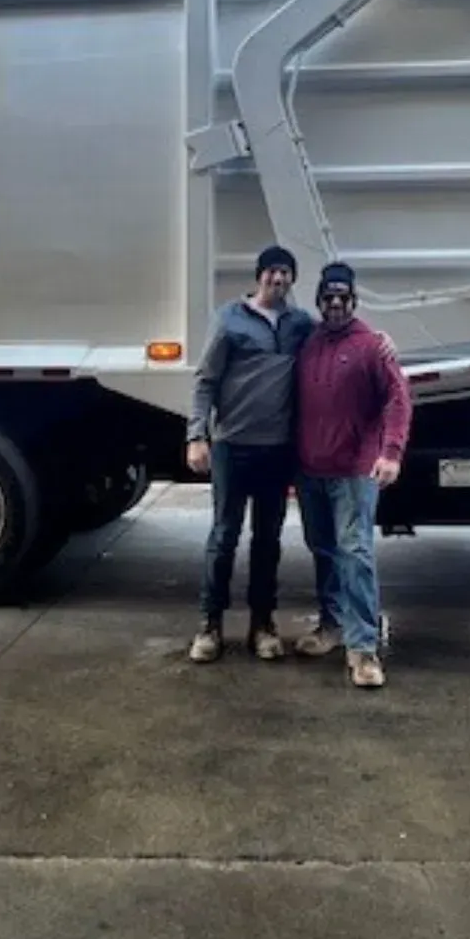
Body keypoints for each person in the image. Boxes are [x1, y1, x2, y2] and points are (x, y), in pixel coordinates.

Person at [185, 245, 316, 663]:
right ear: (259, 276)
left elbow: (335, 337)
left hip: (276, 450)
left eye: (286, 274)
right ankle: (210, 624)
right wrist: (197, 435)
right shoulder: (229, 319)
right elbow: (205, 380)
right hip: (231, 447)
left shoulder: (299, 325)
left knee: (268, 540)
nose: (278, 280)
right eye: (272, 272)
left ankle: (262, 624)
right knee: (224, 537)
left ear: (292, 280)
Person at [293, 261, 411, 689]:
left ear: (354, 300)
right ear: (320, 301)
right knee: (322, 549)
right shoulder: (305, 342)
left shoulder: (372, 346)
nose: (336, 304)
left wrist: (391, 453)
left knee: (355, 552)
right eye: (329, 298)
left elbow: (398, 400)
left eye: (343, 298)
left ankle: (362, 649)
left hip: (355, 472)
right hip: (310, 470)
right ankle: (330, 627)